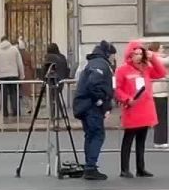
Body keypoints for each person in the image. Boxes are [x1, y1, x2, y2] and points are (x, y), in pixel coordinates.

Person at [115, 40, 167, 178]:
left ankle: (140, 168)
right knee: (128, 140)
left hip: (145, 109)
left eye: (140, 53)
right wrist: (127, 99)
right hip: (132, 109)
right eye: (135, 53)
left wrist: (153, 58)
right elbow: (118, 90)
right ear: (130, 55)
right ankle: (124, 169)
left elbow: (161, 73)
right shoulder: (122, 70)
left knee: (141, 141)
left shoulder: (146, 68)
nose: (138, 56)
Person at [72, 40, 115, 181]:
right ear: (108, 54)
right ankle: (91, 167)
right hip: (91, 106)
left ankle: (89, 166)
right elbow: (93, 84)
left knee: (90, 135)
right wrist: (100, 100)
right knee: (97, 134)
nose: (114, 59)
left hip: (85, 104)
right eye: (113, 56)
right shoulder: (100, 64)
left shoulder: (94, 62)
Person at [0, 35, 25, 118]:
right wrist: (22, 75)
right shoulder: (14, 49)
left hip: (2, 76)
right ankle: (15, 112)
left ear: (1, 41)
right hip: (13, 75)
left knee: (4, 95)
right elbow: (20, 63)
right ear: (8, 40)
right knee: (14, 94)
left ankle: (5, 113)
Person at [148, 42, 169, 148]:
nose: (163, 50)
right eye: (161, 48)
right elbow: (165, 61)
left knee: (162, 117)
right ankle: (160, 141)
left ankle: (161, 140)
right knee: (161, 118)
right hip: (158, 92)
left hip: (161, 92)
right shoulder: (154, 58)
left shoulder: (155, 58)